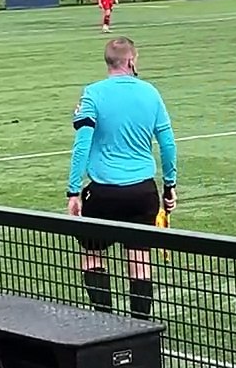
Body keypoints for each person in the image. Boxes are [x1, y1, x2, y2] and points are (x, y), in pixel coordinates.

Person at [67, 37, 177, 319]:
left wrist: (73, 191)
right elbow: (167, 143)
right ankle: (140, 326)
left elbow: (82, 143)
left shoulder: (92, 94)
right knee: (139, 260)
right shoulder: (150, 93)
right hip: (142, 192)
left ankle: (104, 320)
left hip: (102, 193)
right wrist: (169, 187)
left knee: (93, 256)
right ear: (131, 61)